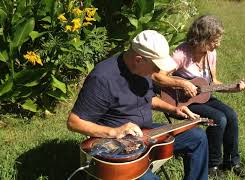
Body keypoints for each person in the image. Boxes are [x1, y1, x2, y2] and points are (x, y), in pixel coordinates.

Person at [67, 30, 209, 180]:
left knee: (197, 137)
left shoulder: (143, 71)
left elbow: (148, 98)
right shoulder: (102, 78)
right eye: (155, 66)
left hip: (146, 133)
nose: (158, 71)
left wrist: (174, 109)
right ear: (139, 59)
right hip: (118, 145)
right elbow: (73, 122)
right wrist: (114, 132)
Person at [152, 15, 245, 178]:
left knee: (231, 115)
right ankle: (212, 165)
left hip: (203, 96)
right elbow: (157, 77)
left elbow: (214, 83)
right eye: (214, 40)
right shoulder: (181, 53)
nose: (218, 44)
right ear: (201, 38)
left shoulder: (211, 54)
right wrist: (183, 84)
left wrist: (235, 88)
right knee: (219, 118)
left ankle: (232, 161)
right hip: (182, 101)